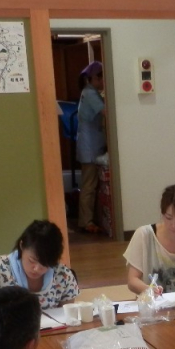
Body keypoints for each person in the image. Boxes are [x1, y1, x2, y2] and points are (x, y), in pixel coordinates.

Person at [0, 220, 80, 315]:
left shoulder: (63, 275)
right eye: (32, 260)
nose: (36, 268)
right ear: (22, 246)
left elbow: (67, 316)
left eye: (45, 264)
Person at [75, 61, 106, 235]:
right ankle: (86, 221)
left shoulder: (90, 92)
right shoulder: (90, 94)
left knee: (90, 184)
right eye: (102, 79)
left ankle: (88, 220)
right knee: (89, 185)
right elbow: (106, 112)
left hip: (92, 144)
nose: (103, 83)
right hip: (90, 147)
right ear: (94, 78)